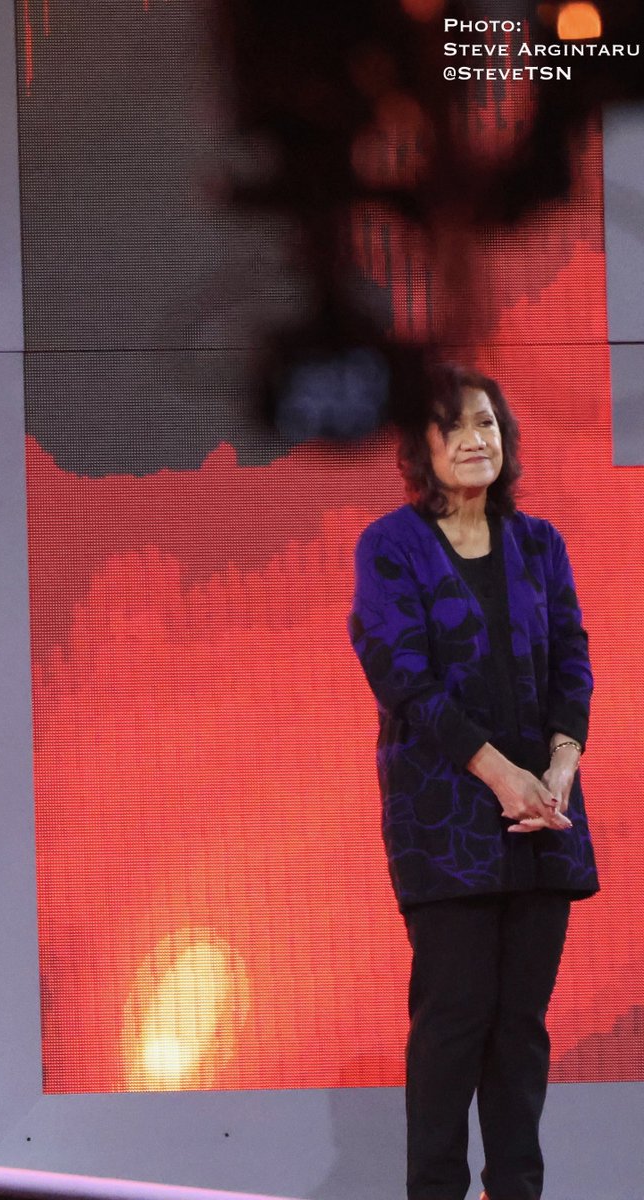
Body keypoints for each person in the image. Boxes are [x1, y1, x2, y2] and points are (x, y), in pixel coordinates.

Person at [348, 365, 598, 1200]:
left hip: (543, 820)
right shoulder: (390, 546)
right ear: (421, 447)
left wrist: (557, 770)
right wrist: (500, 776)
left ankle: (519, 1190)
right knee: (455, 1022)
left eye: (486, 423)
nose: (474, 439)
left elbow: (573, 657)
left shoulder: (541, 544)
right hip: (447, 819)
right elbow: (403, 679)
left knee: (521, 1028)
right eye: (453, 426)